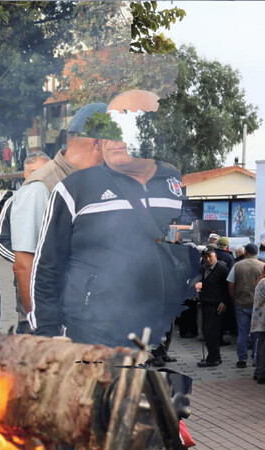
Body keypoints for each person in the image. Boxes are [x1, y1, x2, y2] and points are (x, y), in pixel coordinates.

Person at [30, 90, 199, 348]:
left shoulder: (174, 183)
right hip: (89, 340)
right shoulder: (74, 189)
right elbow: (46, 270)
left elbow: (186, 249)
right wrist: (47, 336)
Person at [6, 103, 106, 334]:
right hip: (52, 330)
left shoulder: (92, 182)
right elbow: (24, 267)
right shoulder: (41, 187)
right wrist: (45, 332)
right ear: (98, 142)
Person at [227, 243, 265, 368]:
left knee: (242, 332)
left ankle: (242, 359)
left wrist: (234, 297)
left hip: (241, 303)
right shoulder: (262, 266)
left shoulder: (237, 266)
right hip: (258, 304)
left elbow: (231, 284)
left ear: (246, 252)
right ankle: (256, 359)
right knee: (257, 333)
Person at [196, 247, 229, 367]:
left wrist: (224, 302)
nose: (208, 259)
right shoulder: (203, 268)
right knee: (206, 331)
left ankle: (213, 358)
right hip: (205, 302)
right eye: (205, 257)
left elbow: (226, 288)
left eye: (210, 256)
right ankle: (214, 356)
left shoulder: (221, 269)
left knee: (212, 332)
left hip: (215, 304)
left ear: (215, 256)